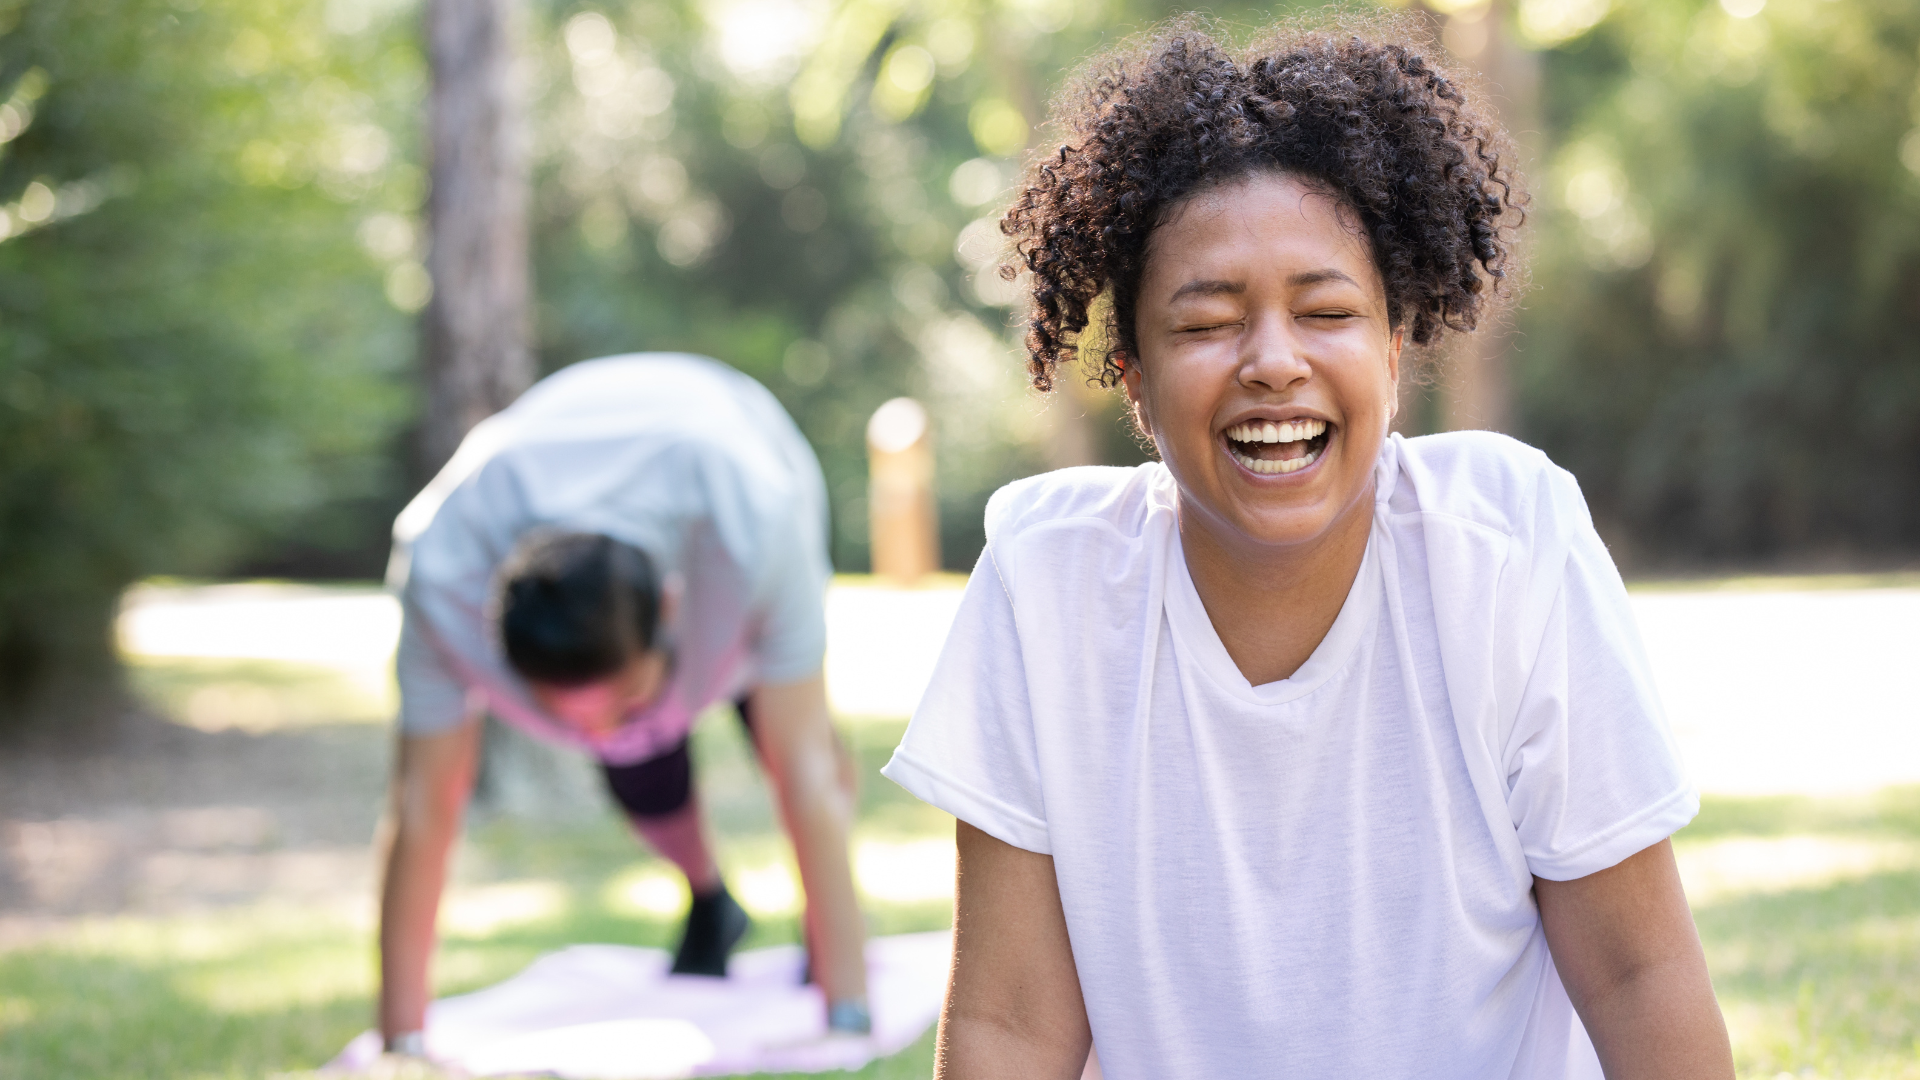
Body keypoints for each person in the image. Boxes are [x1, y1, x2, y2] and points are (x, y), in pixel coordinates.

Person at [881, 20, 1736, 1080]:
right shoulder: (1046, 582)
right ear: (1136, 381)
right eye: (1205, 325)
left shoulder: (1506, 546)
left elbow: (1636, 975)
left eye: (1325, 310)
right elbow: (1011, 1029)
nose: (1273, 362)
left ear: (1389, 350)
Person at [376, 352, 869, 1059]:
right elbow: (422, 804)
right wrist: (402, 1040)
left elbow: (807, 769)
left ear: (672, 610)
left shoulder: (753, 518)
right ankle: (711, 901)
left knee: (787, 739)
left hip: (739, 451)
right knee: (639, 760)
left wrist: (845, 1011)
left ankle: (823, 939)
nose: (600, 732)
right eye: (573, 717)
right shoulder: (441, 568)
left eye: (625, 700)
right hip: (601, 533)